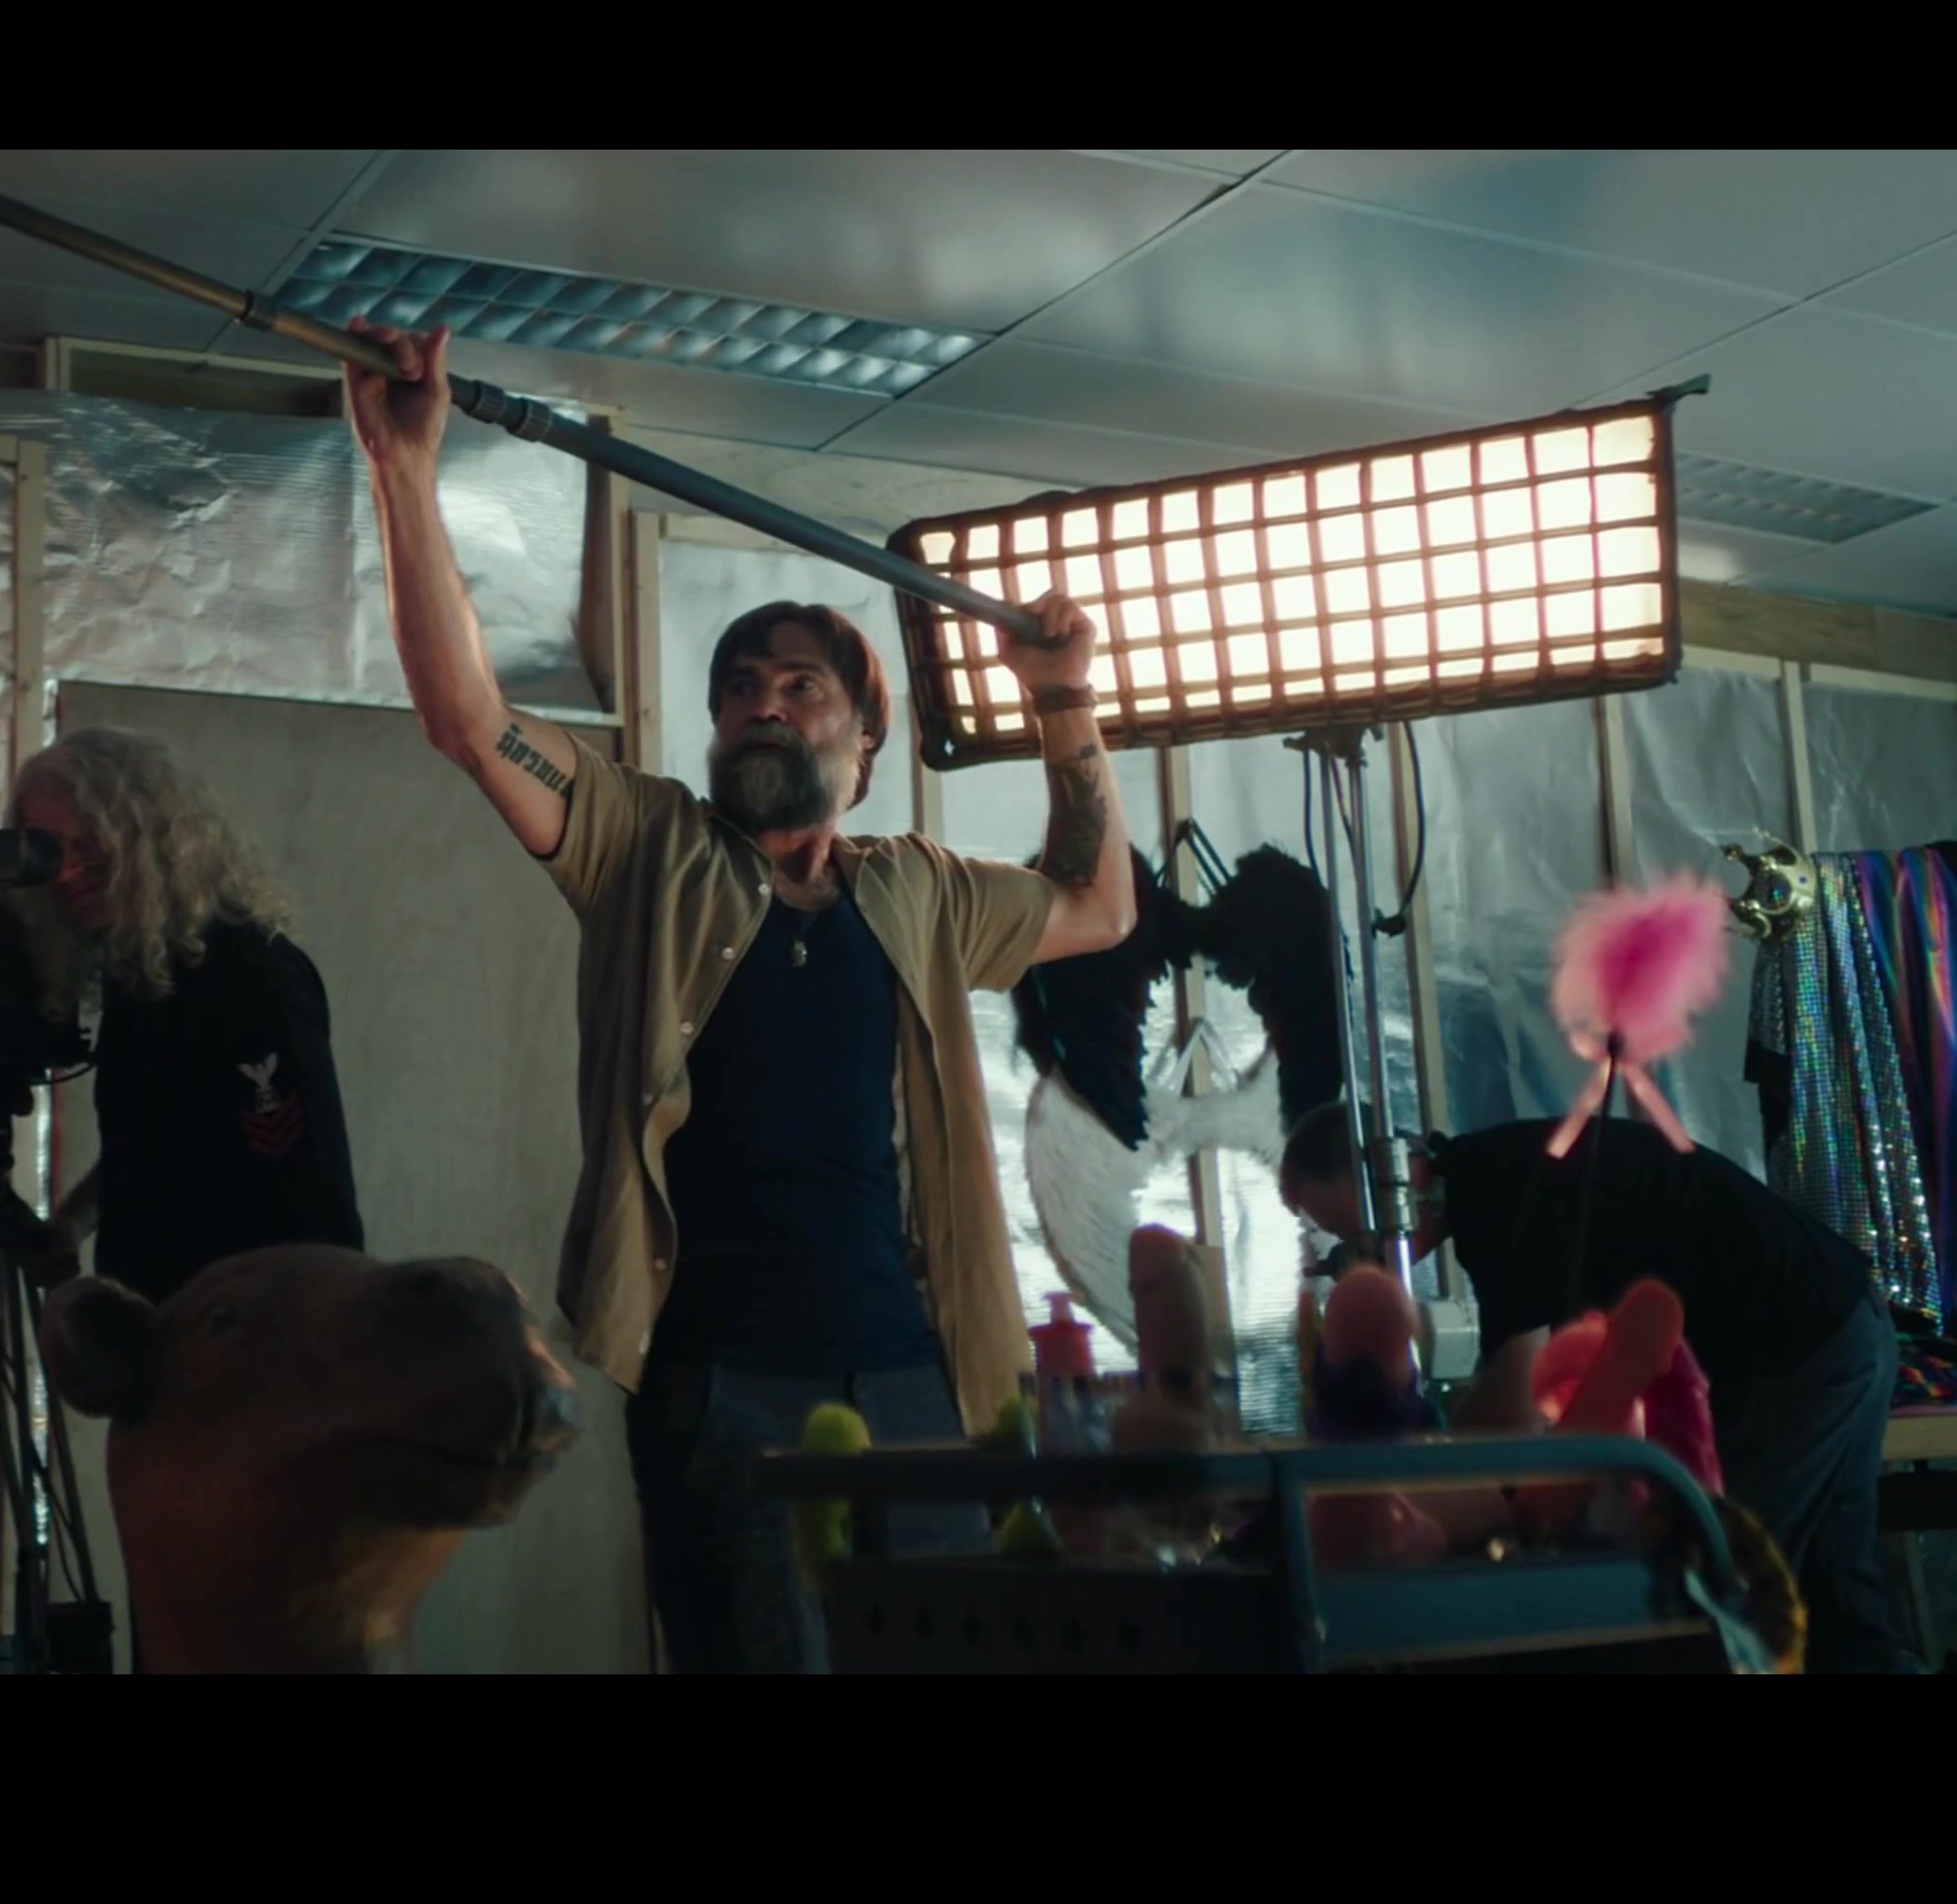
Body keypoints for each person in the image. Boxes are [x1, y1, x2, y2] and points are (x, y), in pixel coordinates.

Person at [341, 319, 1137, 1676]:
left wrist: (1066, 705)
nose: (763, 704)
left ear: (865, 744)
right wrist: (404, 471)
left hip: (922, 1377)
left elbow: (1098, 905)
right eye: (740, 690)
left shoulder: (922, 890)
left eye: (801, 688)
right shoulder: (646, 846)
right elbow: (471, 722)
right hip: (727, 1386)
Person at [1279, 1104, 1919, 1674]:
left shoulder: (1503, 1197)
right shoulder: (1504, 1168)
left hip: (1801, 1352)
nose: (1366, 1259)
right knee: (1839, 1602)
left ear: (1398, 1177)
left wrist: (1422, 1486)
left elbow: (1511, 1424)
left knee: (1722, 1597)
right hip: (1845, 1320)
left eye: (1359, 1236)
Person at [12, 726, 365, 1305]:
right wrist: (74, 1220)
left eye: (92, 844)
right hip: (162, 1331)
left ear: (148, 836)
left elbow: (310, 1201)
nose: (69, 871)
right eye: (49, 850)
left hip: (241, 1337)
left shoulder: (250, 973)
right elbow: (163, 1142)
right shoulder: (139, 969)